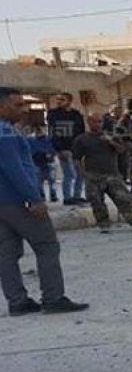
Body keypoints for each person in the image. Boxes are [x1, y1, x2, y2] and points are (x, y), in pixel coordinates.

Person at [0, 87, 89, 315]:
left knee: (7, 253)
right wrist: (34, 198)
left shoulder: (9, 132)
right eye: (17, 105)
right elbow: (15, 169)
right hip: (17, 201)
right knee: (47, 245)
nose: (23, 109)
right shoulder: (5, 134)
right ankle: (53, 297)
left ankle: (17, 301)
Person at [73, 113, 132, 234]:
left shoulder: (111, 136)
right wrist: (83, 174)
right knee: (96, 201)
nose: (97, 124)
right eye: (94, 122)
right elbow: (77, 159)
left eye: (99, 122)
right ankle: (104, 224)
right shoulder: (82, 139)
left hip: (112, 174)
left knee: (124, 199)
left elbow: (122, 150)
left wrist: (111, 142)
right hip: (93, 175)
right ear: (89, 122)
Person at [47, 92, 86, 205]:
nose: (59, 101)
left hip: (76, 149)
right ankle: (67, 198)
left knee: (81, 174)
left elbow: (81, 131)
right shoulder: (54, 114)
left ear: (69, 101)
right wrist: (59, 150)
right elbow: (53, 133)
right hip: (63, 149)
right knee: (68, 174)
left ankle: (77, 196)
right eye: (57, 99)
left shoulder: (76, 114)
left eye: (62, 99)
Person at [29, 127, 59, 202]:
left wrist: (50, 154)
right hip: (37, 162)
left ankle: (53, 194)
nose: (39, 132)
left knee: (51, 180)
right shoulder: (31, 140)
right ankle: (42, 194)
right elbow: (30, 151)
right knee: (39, 180)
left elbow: (53, 150)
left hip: (48, 162)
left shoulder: (48, 140)